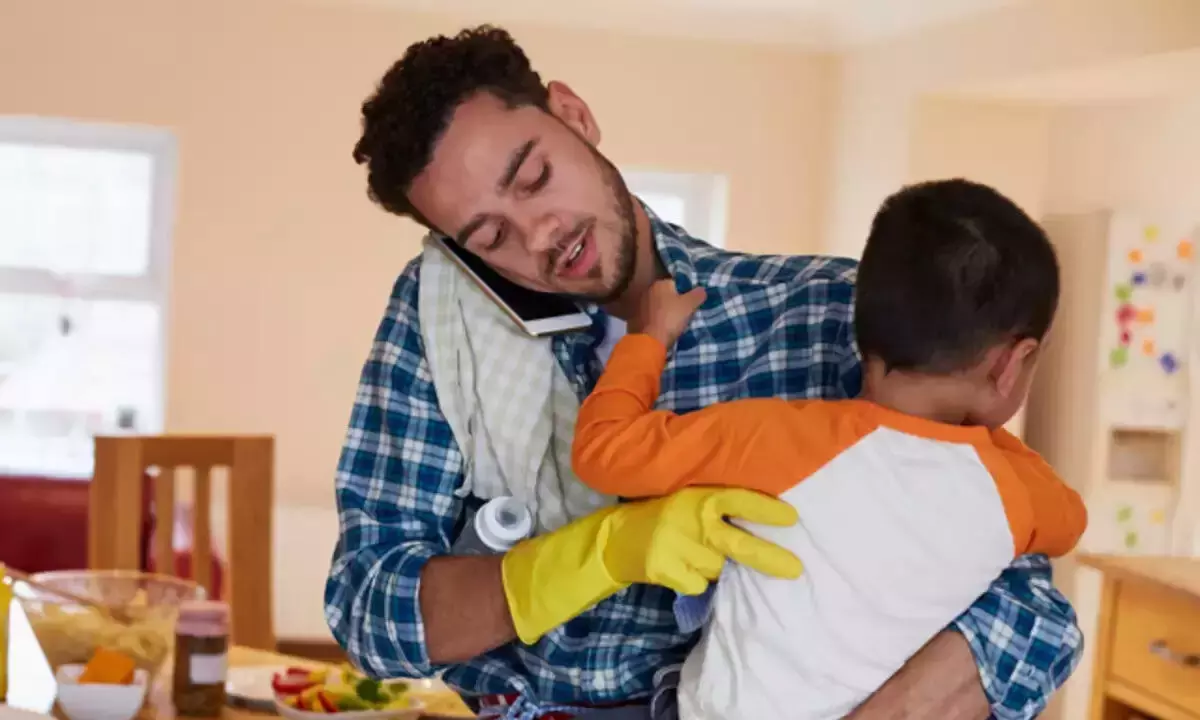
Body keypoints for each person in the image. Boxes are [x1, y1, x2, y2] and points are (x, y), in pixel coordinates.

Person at [324, 24, 1084, 720]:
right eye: (491, 235)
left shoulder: (821, 317)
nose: (541, 234)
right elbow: (370, 610)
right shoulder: (447, 330)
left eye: (535, 177)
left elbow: (1028, 612)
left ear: (574, 115)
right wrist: (592, 555)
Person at [571, 179, 1089, 719]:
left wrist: (648, 337)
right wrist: (975, 435)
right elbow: (1070, 521)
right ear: (1011, 364)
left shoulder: (774, 438)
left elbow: (604, 452)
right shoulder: (1015, 493)